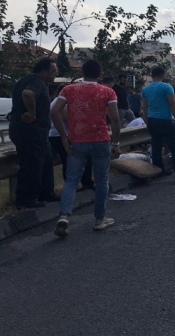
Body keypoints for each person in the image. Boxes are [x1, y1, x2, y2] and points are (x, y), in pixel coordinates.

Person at [52, 60, 122, 237]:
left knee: (71, 180)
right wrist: (116, 143)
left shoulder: (68, 89)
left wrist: (63, 135)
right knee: (101, 180)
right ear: (100, 75)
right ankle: (100, 219)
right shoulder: (107, 91)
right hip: (100, 140)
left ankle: (64, 216)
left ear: (82, 73)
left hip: (76, 140)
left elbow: (54, 111)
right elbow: (115, 119)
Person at [8, 58, 58, 209]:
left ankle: (46, 192)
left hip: (35, 132)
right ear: (43, 72)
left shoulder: (24, 80)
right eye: (53, 71)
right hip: (30, 131)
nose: (55, 74)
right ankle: (25, 199)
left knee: (46, 161)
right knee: (32, 164)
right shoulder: (37, 82)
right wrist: (32, 112)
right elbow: (28, 94)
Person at [141, 67, 175, 178]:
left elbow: (144, 107)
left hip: (151, 120)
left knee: (156, 146)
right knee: (174, 145)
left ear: (152, 75)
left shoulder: (145, 89)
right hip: (164, 119)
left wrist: (146, 119)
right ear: (163, 75)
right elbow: (173, 104)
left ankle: (159, 170)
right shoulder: (166, 87)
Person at [48, 84, 94, 192]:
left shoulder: (58, 102)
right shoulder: (61, 103)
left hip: (61, 134)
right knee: (72, 159)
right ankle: (80, 183)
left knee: (71, 159)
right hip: (61, 135)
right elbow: (67, 121)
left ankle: (81, 182)